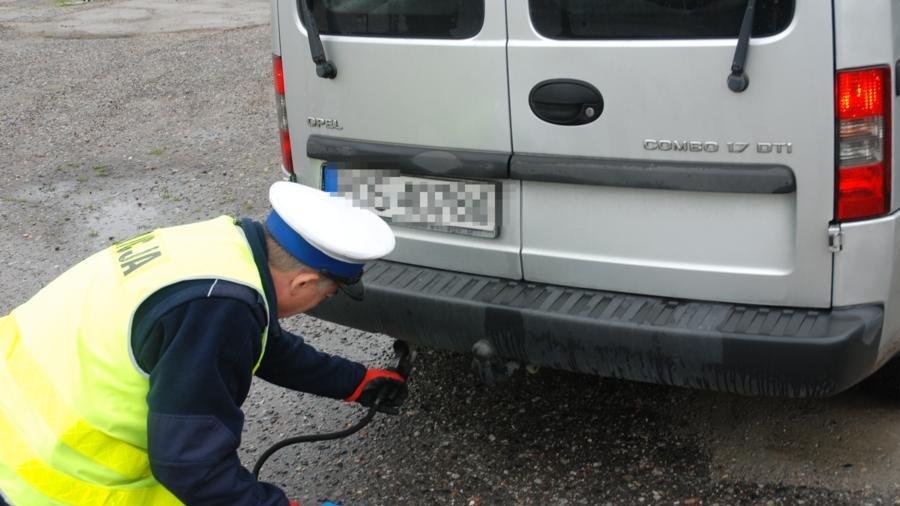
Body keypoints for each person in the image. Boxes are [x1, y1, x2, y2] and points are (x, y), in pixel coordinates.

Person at [0, 182, 407, 506]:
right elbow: (191, 465)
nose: (321, 302)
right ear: (302, 283)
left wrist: (355, 382)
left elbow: (262, 344)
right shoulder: (220, 308)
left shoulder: (223, 245)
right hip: (39, 472)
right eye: (328, 294)